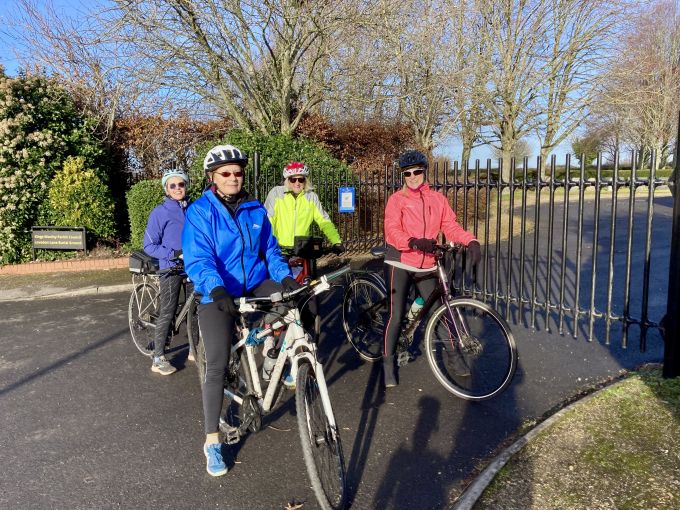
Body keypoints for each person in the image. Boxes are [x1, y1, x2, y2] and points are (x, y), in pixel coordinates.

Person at [182, 144, 300, 477]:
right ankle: (212, 441)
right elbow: (199, 257)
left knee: (296, 304)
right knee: (217, 363)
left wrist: (285, 278)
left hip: (255, 282)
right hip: (217, 290)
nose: (233, 178)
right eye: (226, 173)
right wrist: (216, 288)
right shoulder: (200, 211)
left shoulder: (254, 208)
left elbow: (270, 251)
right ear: (213, 177)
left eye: (238, 172)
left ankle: (273, 356)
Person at [382, 150, 482, 388]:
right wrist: (413, 242)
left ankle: (454, 356)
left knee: (440, 311)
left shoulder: (437, 199)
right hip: (400, 261)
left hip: (427, 262)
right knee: (396, 315)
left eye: (417, 171)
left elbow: (450, 225)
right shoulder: (397, 199)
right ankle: (388, 364)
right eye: (407, 173)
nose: (412, 177)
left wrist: (470, 240)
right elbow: (392, 230)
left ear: (424, 171)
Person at [264, 161, 345, 343]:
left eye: (301, 179)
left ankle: (306, 335)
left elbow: (323, 220)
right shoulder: (276, 194)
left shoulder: (311, 197)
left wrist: (336, 241)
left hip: (303, 252)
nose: (297, 183)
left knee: (308, 295)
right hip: (279, 252)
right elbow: (268, 221)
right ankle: (271, 333)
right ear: (287, 180)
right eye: (293, 179)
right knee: (279, 296)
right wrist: (268, 247)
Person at [143, 168, 191, 376]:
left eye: (181, 184)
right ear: (166, 189)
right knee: (168, 311)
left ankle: (195, 349)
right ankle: (158, 357)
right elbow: (149, 245)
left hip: (192, 266)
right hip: (170, 267)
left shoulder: (192, 209)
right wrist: (173, 254)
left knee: (195, 310)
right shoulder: (160, 212)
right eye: (173, 185)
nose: (177, 188)